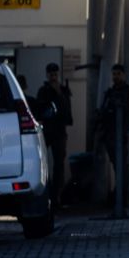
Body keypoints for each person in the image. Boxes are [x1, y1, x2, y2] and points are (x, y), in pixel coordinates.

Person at [97, 63, 129, 195]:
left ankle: (122, 196)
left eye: (118, 74)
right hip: (110, 135)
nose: (116, 77)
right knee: (116, 165)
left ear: (124, 75)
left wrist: (122, 133)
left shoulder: (128, 92)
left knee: (122, 167)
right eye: (114, 74)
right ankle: (118, 195)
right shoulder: (110, 93)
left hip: (120, 136)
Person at [37, 62, 73, 206]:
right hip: (47, 130)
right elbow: (40, 109)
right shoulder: (43, 91)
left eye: (55, 74)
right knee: (43, 164)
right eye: (51, 74)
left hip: (59, 131)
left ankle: (57, 195)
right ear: (47, 75)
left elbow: (67, 109)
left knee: (59, 164)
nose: (53, 77)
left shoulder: (63, 90)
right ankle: (47, 194)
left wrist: (58, 93)